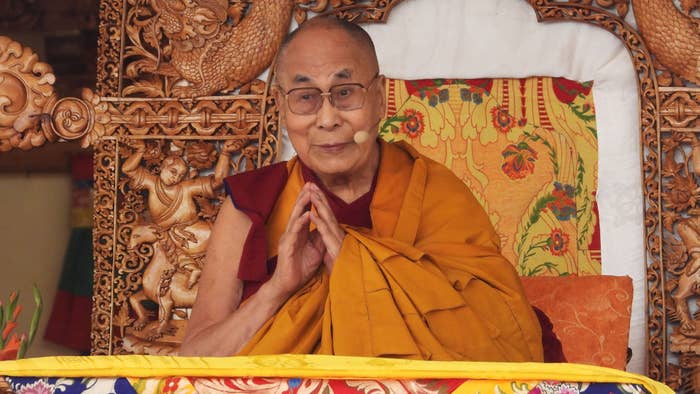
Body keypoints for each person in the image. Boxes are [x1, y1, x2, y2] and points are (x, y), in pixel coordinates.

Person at [179, 15, 544, 362]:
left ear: (380, 97)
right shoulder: (252, 205)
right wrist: (277, 290)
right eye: (305, 96)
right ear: (281, 106)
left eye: (345, 92)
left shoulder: (435, 195)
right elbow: (195, 362)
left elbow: (505, 347)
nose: (327, 119)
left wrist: (354, 269)